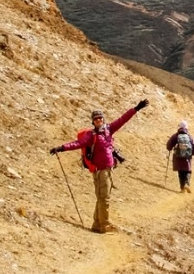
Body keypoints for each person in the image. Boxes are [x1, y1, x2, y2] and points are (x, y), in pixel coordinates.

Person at [49, 99, 148, 233]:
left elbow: (122, 119)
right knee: (104, 198)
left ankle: (97, 224)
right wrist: (61, 148)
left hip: (107, 169)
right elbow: (78, 143)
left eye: (100, 118)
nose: (98, 120)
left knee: (101, 197)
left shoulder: (109, 129)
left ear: (103, 119)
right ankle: (105, 224)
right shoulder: (91, 135)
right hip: (100, 171)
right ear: (93, 121)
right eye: (95, 119)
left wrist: (136, 109)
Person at [166, 121, 194, 192]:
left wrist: (169, 148)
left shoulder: (175, 136)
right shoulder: (189, 136)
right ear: (186, 128)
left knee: (180, 172)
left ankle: (182, 188)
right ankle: (186, 184)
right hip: (187, 157)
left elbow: (169, 145)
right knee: (188, 171)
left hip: (178, 157)